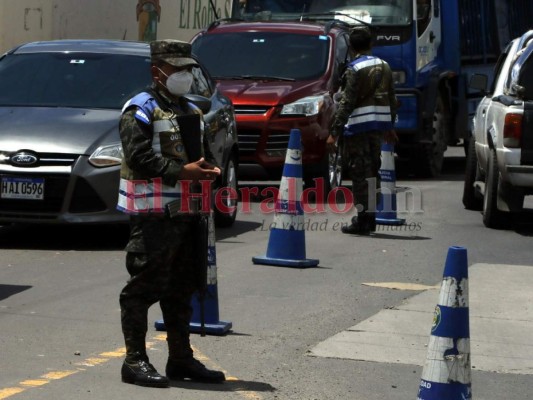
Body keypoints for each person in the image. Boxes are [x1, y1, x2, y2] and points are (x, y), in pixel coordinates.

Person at [116, 39, 225, 388]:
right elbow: (139, 158)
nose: (184, 76)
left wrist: (209, 170)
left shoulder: (191, 110)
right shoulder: (140, 109)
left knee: (181, 286)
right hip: (153, 213)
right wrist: (184, 172)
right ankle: (134, 361)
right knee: (144, 286)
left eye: (187, 70)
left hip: (188, 212)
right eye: (177, 70)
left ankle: (180, 358)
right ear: (157, 71)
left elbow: (202, 155)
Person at [327, 26, 399, 235]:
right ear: (371, 44)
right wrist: (390, 126)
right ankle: (370, 217)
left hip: (357, 128)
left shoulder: (354, 69)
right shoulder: (384, 66)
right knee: (372, 171)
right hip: (377, 128)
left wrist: (334, 132)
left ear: (350, 47)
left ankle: (363, 220)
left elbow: (347, 103)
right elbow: (392, 98)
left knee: (359, 173)